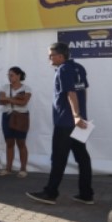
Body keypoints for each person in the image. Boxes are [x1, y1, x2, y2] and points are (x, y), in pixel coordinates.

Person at [27, 42, 94, 205]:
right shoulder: (79, 67)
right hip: (78, 122)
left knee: (58, 158)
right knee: (82, 157)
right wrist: (81, 115)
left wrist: (76, 115)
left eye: (51, 55)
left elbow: (71, 92)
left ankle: (50, 193)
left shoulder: (63, 70)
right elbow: (83, 91)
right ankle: (86, 194)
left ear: (61, 56)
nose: (49, 58)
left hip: (66, 122)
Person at [0, 66, 31, 178]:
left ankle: (23, 169)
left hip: (21, 116)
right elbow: (0, 101)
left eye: (11, 75)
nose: (9, 77)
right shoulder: (4, 87)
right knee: (9, 143)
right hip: (7, 116)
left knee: (21, 143)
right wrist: (16, 99)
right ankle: (8, 168)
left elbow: (24, 103)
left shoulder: (27, 88)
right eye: (8, 75)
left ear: (19, 76)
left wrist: (8, 99)